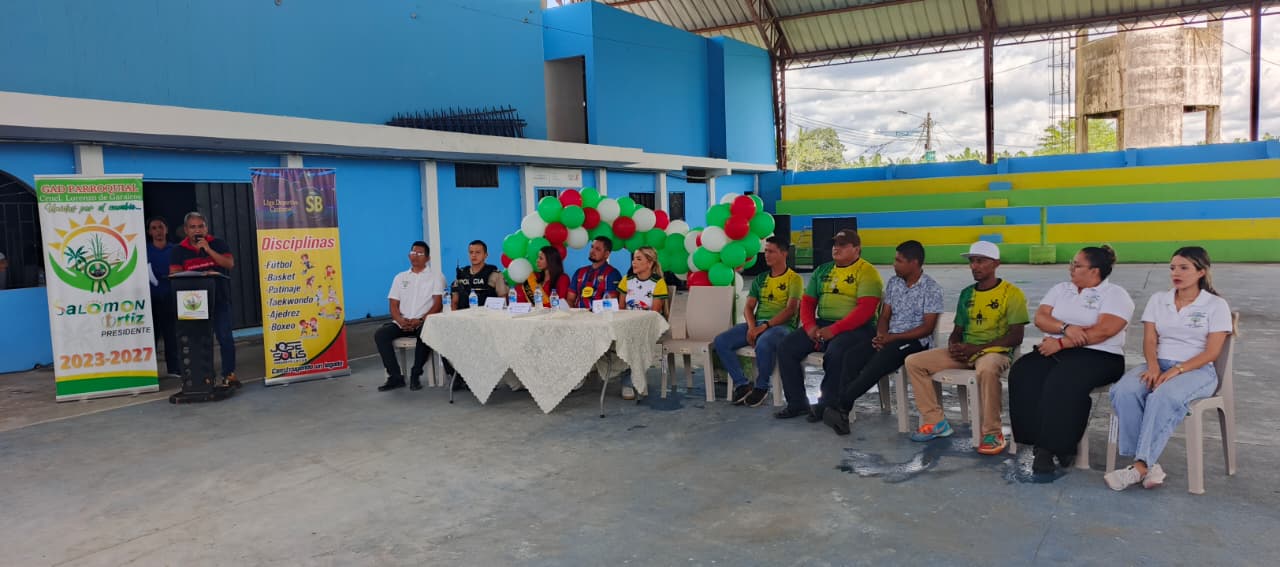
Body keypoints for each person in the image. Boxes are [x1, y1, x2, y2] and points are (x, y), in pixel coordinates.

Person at [1105, 247, 1232, 491]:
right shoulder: (1158, 299)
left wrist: (1177, 370)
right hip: (1159, 363)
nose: (1176, 273)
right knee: (1124, 391)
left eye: (1184, 268)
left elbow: (1212, 352)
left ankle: (1140, 466)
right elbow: (1150, 340)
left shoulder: (1215, 305)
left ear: (1201, 272)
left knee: (1162, 396)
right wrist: (1154, 367)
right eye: (1172, 268)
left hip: (1198, 371)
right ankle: (1147, 464)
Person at [1008, 246, 1134, 473]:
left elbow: (1104, 330)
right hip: (1057, 350)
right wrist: (1066, 328)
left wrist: (1061, 343)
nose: (1071, 268)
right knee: (1024, 371)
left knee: (1063, 380)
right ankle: (1034, 438)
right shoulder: (1061, 289)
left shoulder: (1115, 294)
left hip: (1101, 355)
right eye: (1072, 263)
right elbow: (1041, 318)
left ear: (1094, 270)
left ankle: (1051, 448)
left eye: (1077, 265)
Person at [904, 240, 1027, 455]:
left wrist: (977, 349)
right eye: (972, 261)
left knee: (987, 369)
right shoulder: (967, 293)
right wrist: (954, 345)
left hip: (995, 352)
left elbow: (1016, 336)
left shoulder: (1012, 293)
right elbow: (957, 330)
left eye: (981, 261)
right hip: (967, 352)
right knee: (914, 362)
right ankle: (935, 422)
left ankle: (992, 433)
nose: (974, 266)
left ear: (996, 263)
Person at [824, 240, 943, 435]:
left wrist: (893, 338)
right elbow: (885, 316)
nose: (894, 264)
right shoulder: (894, 283)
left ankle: (840, 405)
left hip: (914, 342)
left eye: (899, 261)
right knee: (852, 356)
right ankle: (842, 413)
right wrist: (881, 335)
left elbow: (927, 328)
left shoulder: (931, 288)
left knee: (879, 362)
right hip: (889, 338)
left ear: (914, 263)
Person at [774, 229, 883, 422]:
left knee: (837, 352)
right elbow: (808, 302)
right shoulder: (822, 270)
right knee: (786, 346)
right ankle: (797, 403)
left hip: (859, 328)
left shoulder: (867, 272)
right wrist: (809, 327)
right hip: (823, 323)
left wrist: (834, 330)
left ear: (857, 249)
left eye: (842, 245)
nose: (836, 248)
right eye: (835, 244)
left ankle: (827, 404)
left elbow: (865, 311)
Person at [711, 236, 802, 408]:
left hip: (782, 327)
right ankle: (742, 384)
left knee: (764, 343)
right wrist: (752, 328)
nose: (766, 255)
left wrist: (764, 327)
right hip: (759, 324)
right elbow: (748, 307)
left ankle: (762, 386)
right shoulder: (761, 278)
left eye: (771, 251)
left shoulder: (794, 279)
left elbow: (790, 310)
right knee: (721, 341)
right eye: (765, 251)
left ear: (784, 254)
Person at [169, 212, 239, 388]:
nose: (197, 230)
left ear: (206, 228)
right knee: (198, 341)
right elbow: (174, 275)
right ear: (186, 230)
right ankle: (205, 377)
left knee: (225, 337)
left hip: (219, 299)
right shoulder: (178, 250)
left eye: (200, 226)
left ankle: (229, 374)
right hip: (193, 304)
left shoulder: (217, 243)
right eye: (193, 227)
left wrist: (208, 250)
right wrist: (198, 276)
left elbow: (229, 264)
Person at [374, 241, 446, 392]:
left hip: (423, 321)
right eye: (413, 253)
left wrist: (420, 320)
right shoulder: (400, 277)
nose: (415, 256)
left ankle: (415, 373)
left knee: (425, 333)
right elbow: (393, 304)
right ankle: (395, 377)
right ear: (409, 255)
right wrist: (400, 320)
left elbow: (437, 304)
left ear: (428, 258)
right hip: (403, 321)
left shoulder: (435, 277)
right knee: (381, 334)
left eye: (420, 253)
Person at [615, 246, 668, 400]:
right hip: (627, 323)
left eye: (639, 259)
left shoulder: (658, 283)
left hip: (647, 324)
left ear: (650, 263)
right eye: (633, 259)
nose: (634, 262)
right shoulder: (627, 280)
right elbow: (621, 307)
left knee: (632, 338)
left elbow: (654, 313)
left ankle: (628, 381)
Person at [146, 216, 181, 377]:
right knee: (151, 335)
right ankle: (150, 372)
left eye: (160, 227)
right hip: (151, 300)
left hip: (171, 297)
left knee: (171, 334)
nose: (158, 231)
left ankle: (174, 368)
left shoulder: (175, 249)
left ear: (166, 229)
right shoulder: (144, 250)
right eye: (154, 228)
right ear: (149, 232)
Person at [566, 236, 622, 309]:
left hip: (600, 315)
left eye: (597, 249)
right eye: (592, 247)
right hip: (578, 314)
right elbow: (570, 299)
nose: (592, 251)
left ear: (606, 254)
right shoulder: (580, 272)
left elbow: (610, 303)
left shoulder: (612, 274)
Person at [450, 240, 508, 309]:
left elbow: (503, 301)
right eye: (471, 252)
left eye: (478, 252)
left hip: (487, 314)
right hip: (464, 314)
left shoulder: (495, 274)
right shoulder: (462, 274)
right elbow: (454, 303)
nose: (474, 255)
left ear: (486, 255)